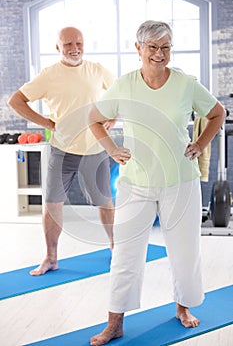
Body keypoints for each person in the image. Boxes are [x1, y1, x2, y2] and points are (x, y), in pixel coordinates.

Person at [88, 20, 226, 345]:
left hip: (180, 181)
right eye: (152, 47)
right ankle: (115, 322)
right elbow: (94, 119)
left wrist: (201, 143)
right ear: (138, 49)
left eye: (165, 47)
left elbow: (218, 113)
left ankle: (182, 307)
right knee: (125, 254)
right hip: (136, 183)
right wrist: (112, 148)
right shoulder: (124, 85)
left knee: (184, 251)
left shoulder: (186, 83)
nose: (159, 54)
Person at [8, 26, 116, 276]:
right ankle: (51, 257)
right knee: (52, 203)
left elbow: (120, 94)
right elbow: (15, 100)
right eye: (68, 44)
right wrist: (46, 123)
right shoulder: (48, 75)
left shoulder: (97, 70)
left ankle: (115, 248)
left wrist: (114, 115)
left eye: (78, 42)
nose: (74, 48)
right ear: (57, 47)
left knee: (105, 202)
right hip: (61, 149)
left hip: (94, 148)